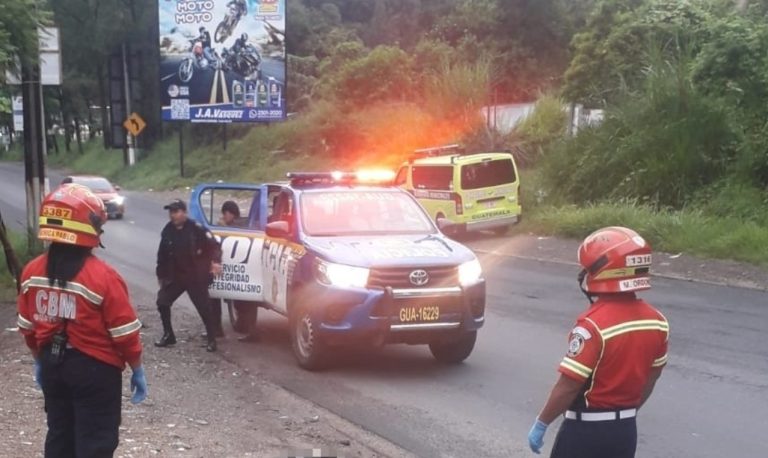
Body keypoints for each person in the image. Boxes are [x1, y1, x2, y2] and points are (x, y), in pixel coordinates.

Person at [16, 183, 147, 457]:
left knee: (60, 437)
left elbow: (27, 328)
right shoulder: (103, 277)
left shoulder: (31, 272)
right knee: (95, 442)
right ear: (87, 229)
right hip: (95, 372)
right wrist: (136, 367)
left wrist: (40, 360)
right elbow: (124, 334)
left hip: (53, 367)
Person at [527, 227, 669, 458]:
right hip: (625, 432)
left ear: (600, 272)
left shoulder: (592, 326)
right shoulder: (658, 321)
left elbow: (569, 385)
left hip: (585, 433)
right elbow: (651, 377)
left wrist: (542, 423)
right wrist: (623, 414)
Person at [155, 199, 222, 352]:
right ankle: (168, 335)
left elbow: (214, 244)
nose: (173, 215)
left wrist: (216, 261)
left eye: (176, 212)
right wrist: (161, 275)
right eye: (171, 212)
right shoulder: (168, 231)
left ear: (184, 213)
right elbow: (162, 255)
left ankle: (212, 339)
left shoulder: (196, 228)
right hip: (176, 276)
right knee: (162, 302)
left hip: (195, 276)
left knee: (204, 308)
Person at [210, 200, 261, 343]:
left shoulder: (235, 227)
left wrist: (222, 227)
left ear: (229, 213)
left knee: (245, 303)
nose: (224, 217)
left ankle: (250, 332)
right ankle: (248, 331)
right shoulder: (243, 223)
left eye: (225, 214)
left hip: (246, 272)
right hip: (246, 271)